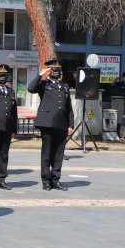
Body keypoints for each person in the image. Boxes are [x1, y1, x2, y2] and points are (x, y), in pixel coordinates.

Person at [28, 59, 74, 191]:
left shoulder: (64, 85)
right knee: (47, 153)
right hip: (47, 123)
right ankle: (46, 180)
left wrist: (70, 124)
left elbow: (68, 107)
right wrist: (40, 74)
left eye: (58, 69)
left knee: (59, 153)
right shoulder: (44, 84)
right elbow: (31, 88)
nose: (57, 72)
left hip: (62, 124)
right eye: (54, 69)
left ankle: (55, 180)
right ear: (49, 71)